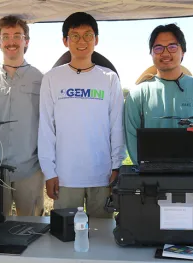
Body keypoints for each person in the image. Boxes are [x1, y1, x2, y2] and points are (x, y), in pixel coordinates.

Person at [38, 12, 125, 218]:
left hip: (102, 176)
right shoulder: (52, 78)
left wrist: (116, 166)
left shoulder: (109, 78)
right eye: (74, 35)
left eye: (88, 35)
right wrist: (49, 173)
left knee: (102, 237)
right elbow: (46, 128)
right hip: (65, 178)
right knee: (65, 240)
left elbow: (116, 126)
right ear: (65, 41)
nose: (82, 41)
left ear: (96, 39)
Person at [0, 15, 44, 216]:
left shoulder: (42, 79)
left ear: (26, 41)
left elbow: (47, 126)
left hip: (30, 170)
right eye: (5, 36)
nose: (11, 41)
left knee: (32, 228)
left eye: (17, 36)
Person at [124, 23, 193, 164]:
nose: (165, 53)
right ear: (151, 53)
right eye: (158, 48)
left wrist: (186, 169)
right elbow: (131, 137)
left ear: (183, 51)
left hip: (190, 177)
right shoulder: (138, 94)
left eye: (172, 47)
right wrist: (146, 171)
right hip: (148, 179)